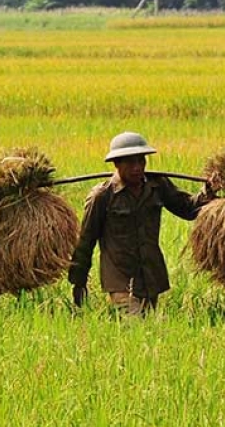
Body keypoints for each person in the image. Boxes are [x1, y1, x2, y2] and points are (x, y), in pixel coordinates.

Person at [68, 131, 214, 314]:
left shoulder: (157, 186)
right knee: (135, 324)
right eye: (130, 162)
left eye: (141, 161)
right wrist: (78, 281)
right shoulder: (103, 196)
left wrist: (208, 192)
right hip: (120, 278)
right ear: (116, 164)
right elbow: (86, 240)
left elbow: (188, 209)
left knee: (148, 328)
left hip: (150, 275)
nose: (137, 167)